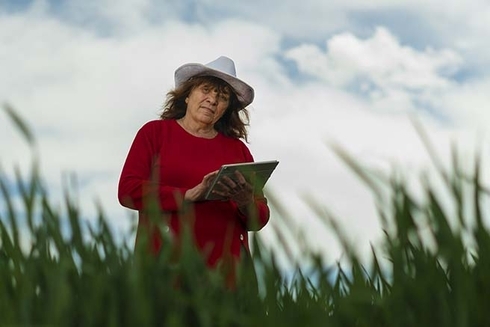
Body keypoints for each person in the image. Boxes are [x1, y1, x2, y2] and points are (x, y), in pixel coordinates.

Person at [118, 56, 270, 285]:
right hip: (166, 270)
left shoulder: (238, 150)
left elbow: (259, 218)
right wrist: (188, 194)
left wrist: (245, 202)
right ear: (187, 95)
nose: (212, 99)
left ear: (227, 109)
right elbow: (128, 190)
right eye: (206, 90)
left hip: (229, 276)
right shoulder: (154, 134)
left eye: (222, 97)